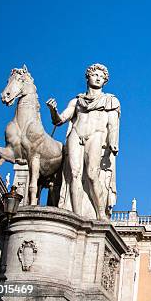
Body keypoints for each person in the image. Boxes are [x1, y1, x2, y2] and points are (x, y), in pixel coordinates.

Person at [47, 63, 120, 220]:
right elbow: (59, 120)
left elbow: (113, 124)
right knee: (74, 174)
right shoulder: (77, 101)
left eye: (102, 76)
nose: (98, 78)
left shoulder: (110, 100)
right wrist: (53, 111)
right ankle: (76, 215)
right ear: (88, 77)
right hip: (76, 134)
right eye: (95, 75)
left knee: (92, 174)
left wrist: (113, 144)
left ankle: (100, 213)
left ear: (105, 81)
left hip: (96, 135)